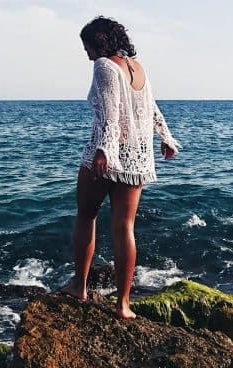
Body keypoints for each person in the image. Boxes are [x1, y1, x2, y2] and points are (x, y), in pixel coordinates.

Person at [59, 16, 181, 319]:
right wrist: (165, 137)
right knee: (124, 227)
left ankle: (79, 287)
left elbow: (109, 114)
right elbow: (151, 106)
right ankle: (123, 304)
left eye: (86, 45)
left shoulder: (103, 66)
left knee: (86, 215)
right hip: (136, 156)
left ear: (98, 42)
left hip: (106, 153)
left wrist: (103, 150)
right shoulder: (137, 68)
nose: (85, 52)